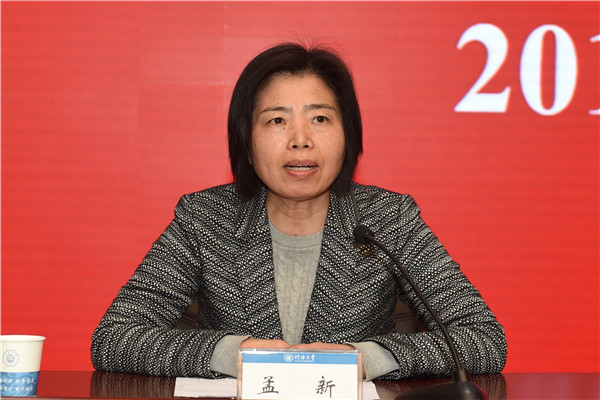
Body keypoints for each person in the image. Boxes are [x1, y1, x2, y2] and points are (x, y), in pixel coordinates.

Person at [91, 42, 507, 381]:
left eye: (320, 119)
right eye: (277, 121)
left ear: (348, 137)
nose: (300, 140)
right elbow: (114, 337)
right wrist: (232, 353)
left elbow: (484, 339)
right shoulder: (205, 218)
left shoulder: (387, 219)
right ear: (245, 140)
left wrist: (366, 359)